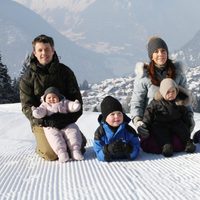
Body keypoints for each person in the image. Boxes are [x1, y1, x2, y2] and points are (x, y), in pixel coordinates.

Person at [19, 34, 86, 161]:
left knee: (78, 148)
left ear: (53, 50)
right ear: (34, 53)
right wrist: (44, 121)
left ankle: (75, 138)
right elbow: (26, 107)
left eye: (47, 49)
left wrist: (67, 118)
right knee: (52, 154)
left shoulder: (65, 72)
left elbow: (77, 101)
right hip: (43, 123)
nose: (44, 53)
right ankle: (41, 145)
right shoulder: (27, 78)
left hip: (65, 120)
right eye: (40, 50)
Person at [130, 36, 195, 154]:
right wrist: (138, 120)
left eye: (163, 51)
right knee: (154, 146)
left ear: (167, 52)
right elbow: (137, 102)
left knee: (180, 142)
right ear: (151, 55)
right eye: (156, 51)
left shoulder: (177, 73)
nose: (160, 54)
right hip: (154, 123)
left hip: (176, 119)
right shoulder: (144, 77)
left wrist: (189, 117)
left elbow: (185, 99)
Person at [137, 78, 196, 157]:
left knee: (182, 129)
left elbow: (184, 113)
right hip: (160, 123)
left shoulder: (179, 101)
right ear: (162, 93)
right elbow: (148, 113)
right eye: (168, 92)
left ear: (177, 91)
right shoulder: (156, 102)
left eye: (173, 91)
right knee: (161, 133)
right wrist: (145, 124)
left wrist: (188, 122)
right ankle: (166, 146)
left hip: (176, 122)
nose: (171, 94)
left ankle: (188, 143)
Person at [32, 87, 84, 162]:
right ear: (45, 99)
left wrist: (75, 106)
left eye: (54, 97)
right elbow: (41, 112)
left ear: (58, 97)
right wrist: (36, 112)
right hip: (51, 126)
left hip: (66, 123)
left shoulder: (64, 102)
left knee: (73, 132)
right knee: (54, 137)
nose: (51, 99)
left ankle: (75, 150)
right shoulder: (44, 105)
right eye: (49, 97)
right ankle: (62, 153)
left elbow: (70, 105)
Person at [93, 96, 140, 162]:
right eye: (112, 114)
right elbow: (98, 153)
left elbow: (137, 148)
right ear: (105, 117)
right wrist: (107, 150)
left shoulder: (129, 131)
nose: (117, 116)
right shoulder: (100, 132)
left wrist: (129, 149)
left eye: (119, 113)